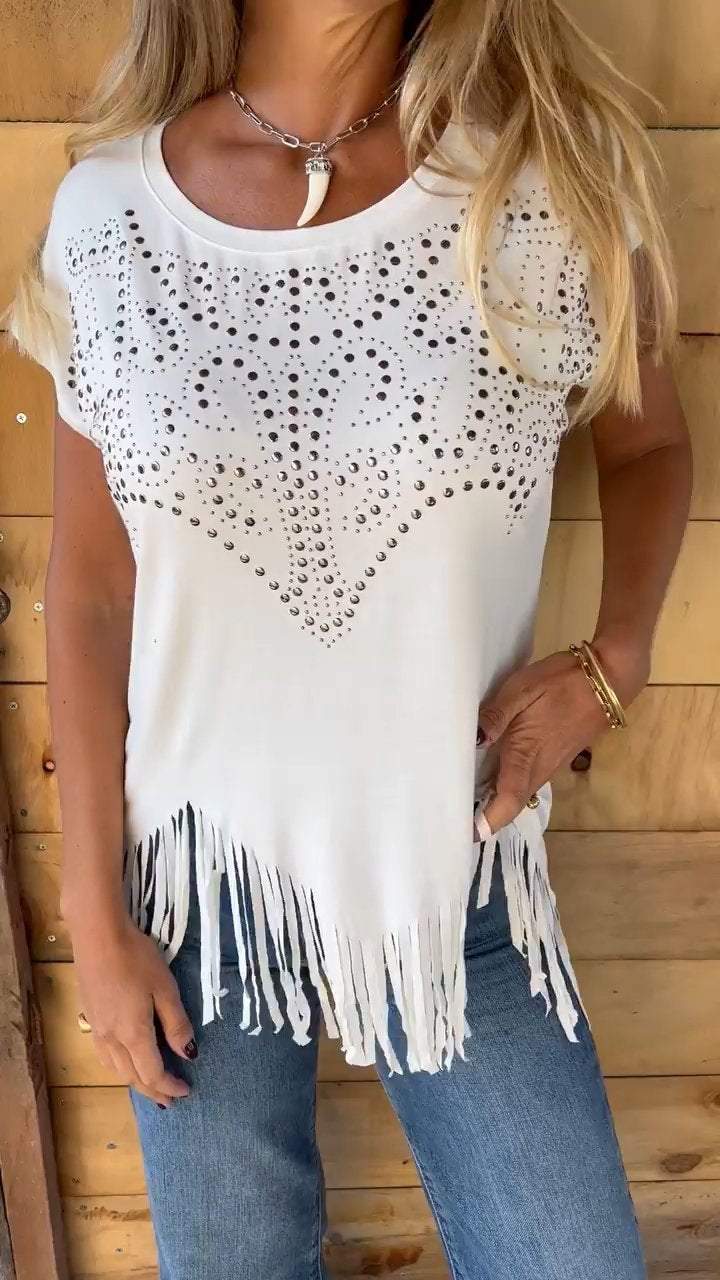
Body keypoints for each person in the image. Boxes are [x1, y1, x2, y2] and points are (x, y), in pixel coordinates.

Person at [7, 1, 692, 1276]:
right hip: (197, 890)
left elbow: (649, 441)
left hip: (460, 861)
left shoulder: (546, 182)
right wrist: (94, 918)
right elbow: (92, 588)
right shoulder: (109, 216)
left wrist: (616, 660)